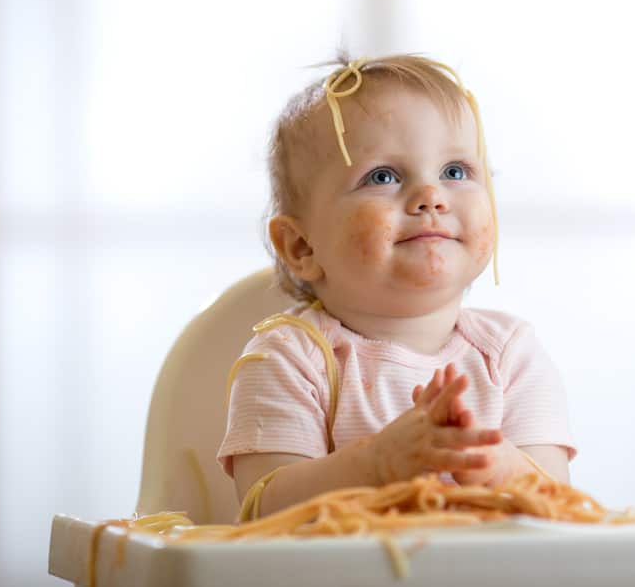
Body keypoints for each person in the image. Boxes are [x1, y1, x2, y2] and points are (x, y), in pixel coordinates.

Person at [217, 54, 575, 518]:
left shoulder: (509, 355)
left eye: (456, 171)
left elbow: (563, 509)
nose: (432, 196)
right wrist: (375, 463)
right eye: (382, 176)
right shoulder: (289, 357)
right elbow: (263, 510)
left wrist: (498, 466)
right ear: (302, 246)